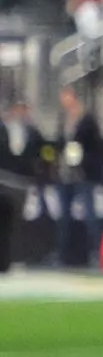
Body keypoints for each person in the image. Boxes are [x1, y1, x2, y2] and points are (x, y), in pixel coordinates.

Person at [52, 88, 103, 268]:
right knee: (64, 216)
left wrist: (84, 163)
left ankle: (98, 253)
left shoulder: (87, 120)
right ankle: (63, 255)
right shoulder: (64, 119)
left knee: (90, 215)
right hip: (66, 174)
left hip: (84, 174)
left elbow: (95, 147)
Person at [0, 100, 43, 272]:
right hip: (4, 179)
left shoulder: (32, 133)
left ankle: (15, 257)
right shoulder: (3, 130)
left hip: (22, 182)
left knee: (18, 222)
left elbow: (39, 154)